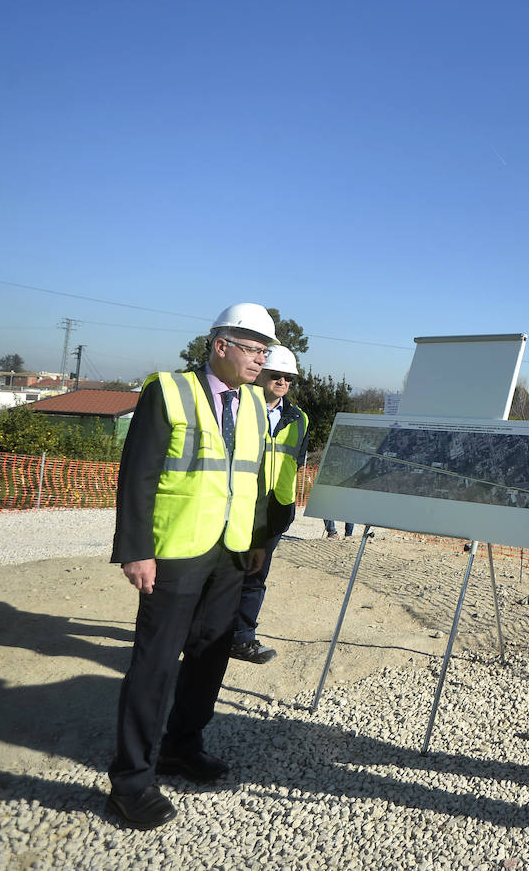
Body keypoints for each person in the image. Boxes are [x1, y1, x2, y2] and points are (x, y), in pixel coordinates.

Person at [106, 303, 277, 830]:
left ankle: (183, 747)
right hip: (175, 552)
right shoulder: (170, 391)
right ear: (220, 346)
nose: (262, 361)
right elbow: (137, 474)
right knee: (155, 664)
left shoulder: (252, 402)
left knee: (208, 656)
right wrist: (136, 549)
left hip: (229, 553)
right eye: (253, 349)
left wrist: (255, 540)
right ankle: (131, 781)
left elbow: (254, 474)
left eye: (265, 350)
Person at [230, 345, 308, 664]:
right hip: (237, 505)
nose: (282, 382)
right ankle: (201, 633)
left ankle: (240, 638)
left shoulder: (299, 418)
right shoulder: (236, 407)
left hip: (275, 510)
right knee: (221, 574)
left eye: (288, 377)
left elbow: (297, 462)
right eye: (276, 375)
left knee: (255, 576)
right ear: (259, 373)